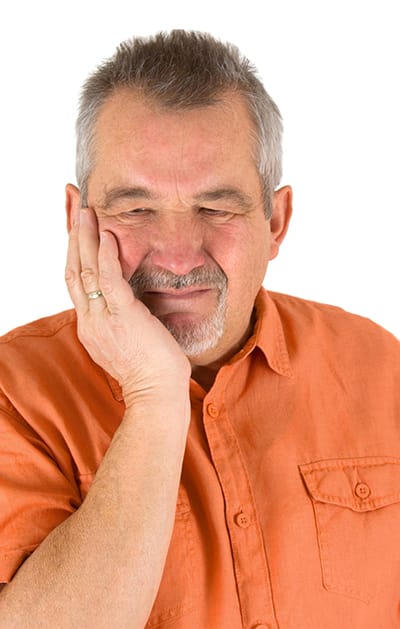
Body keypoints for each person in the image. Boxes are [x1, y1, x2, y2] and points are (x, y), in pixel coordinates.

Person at [0, 30, 399, 629]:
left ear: (276, 222)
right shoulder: (13, 392)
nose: (180, 256)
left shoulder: (379, 365)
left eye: (217, 208)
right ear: (75, 220)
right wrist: (155, 396)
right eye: (136, 208)